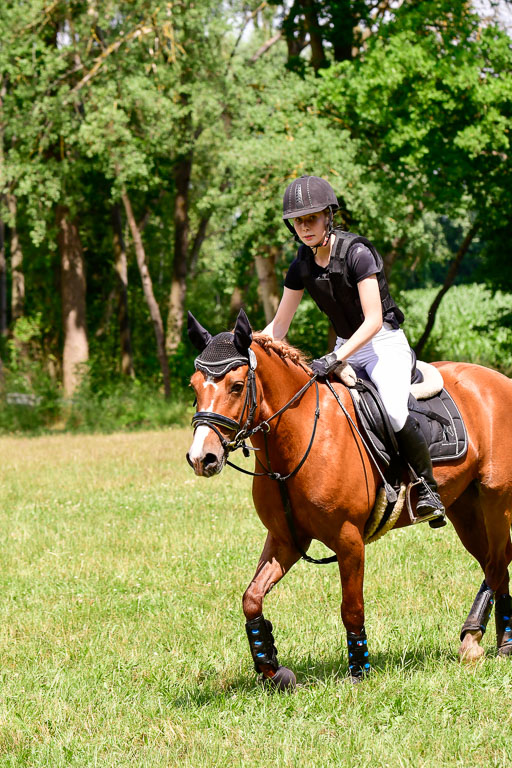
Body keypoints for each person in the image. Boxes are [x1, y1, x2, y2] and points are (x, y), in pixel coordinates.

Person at [263, 175, 445, 526]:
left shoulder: (358, 253)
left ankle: (428, 488)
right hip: (346, 347)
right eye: (298, 221)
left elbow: (374, 320)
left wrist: (335, 358)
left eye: (311, 218)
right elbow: (278, 328)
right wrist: (243, 344)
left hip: (383, 344)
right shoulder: (300, 265)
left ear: (328, 216)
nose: (305, 227)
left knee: (393, 412)